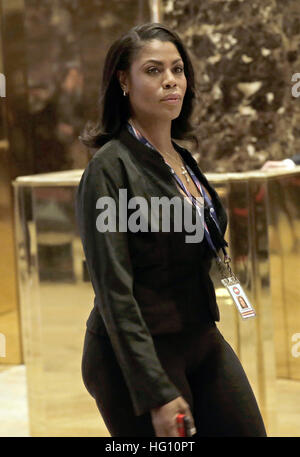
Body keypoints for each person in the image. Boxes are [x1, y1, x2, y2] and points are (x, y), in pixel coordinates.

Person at [75, 22, 267, 437]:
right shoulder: (108, 169)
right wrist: (156, 392)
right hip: (137, 352)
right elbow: (113, 293)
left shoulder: (182, 157)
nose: (171, 81)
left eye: (178, 69)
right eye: (153, 70)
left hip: (199, 333)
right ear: (123, 81)